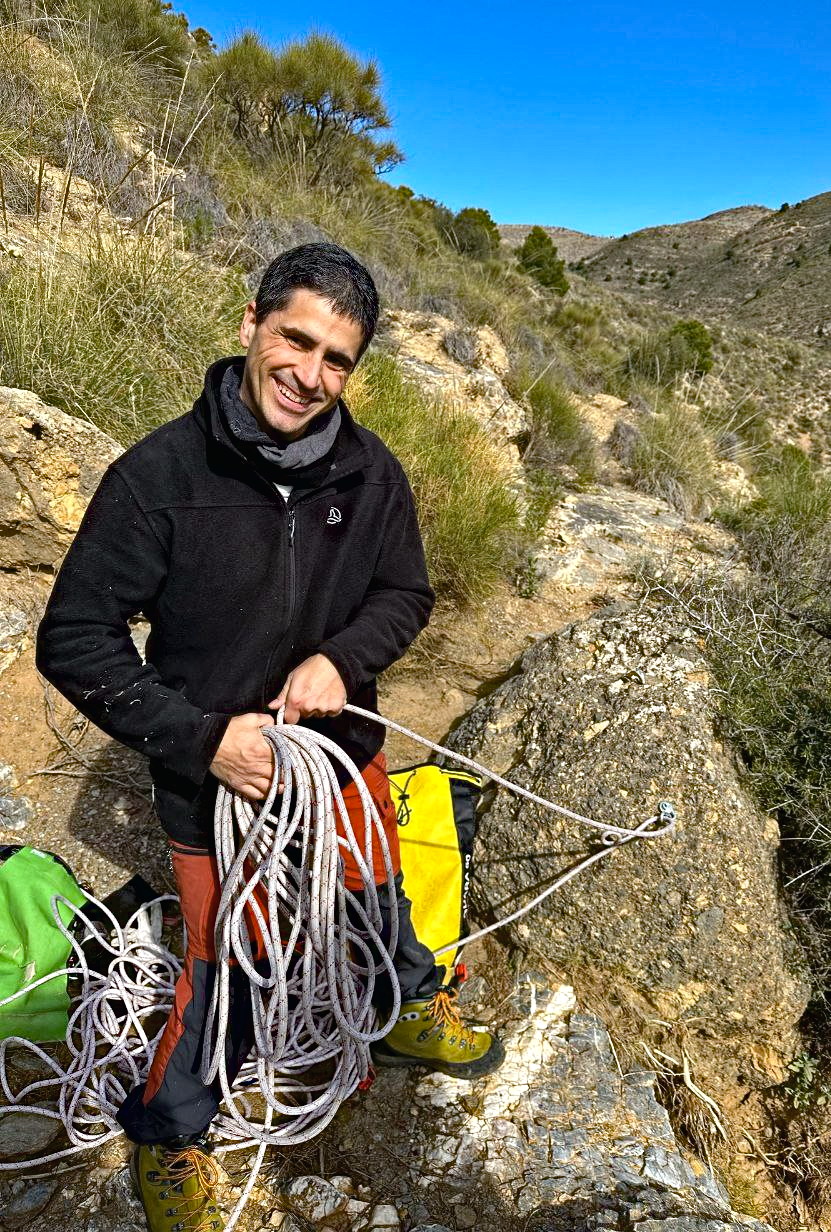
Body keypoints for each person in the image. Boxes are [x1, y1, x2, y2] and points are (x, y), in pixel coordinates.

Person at [36, 242, 504, 1232]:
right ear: (251, 324)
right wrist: (203, 737)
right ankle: (169, 1132)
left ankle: (408, 1008)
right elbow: (74, 636)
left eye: (337, 357)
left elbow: (405, 591)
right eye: (296, 339)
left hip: (340, 747)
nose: (310, 372)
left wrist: (339, 659)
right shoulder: (157, 475)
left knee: (380, 889)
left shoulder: (369, 473)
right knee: (229, 959)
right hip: (213, 780)